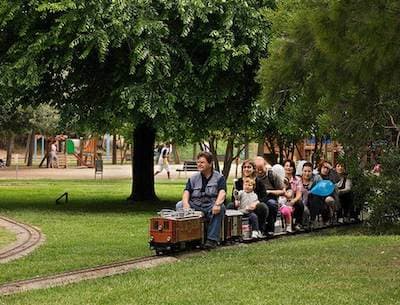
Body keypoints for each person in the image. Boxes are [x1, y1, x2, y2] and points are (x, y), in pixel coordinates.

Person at [176, 151, 226, 249]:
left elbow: (222, 192)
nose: (199, 164)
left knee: (221, 208)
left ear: (210, 163)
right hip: (196, 204)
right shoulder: (193, 178)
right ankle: (188, 238)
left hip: (210, 205)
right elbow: (186, 192)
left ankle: (212, 240)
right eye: (198, 162)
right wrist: (186, 204)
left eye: (202, 162)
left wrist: (217, 204)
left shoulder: (219, 177)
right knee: (179, 205)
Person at [230, 159, 269, 236]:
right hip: (241, 206)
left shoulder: (258, 182)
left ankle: (259, 230)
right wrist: (235, 201)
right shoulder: (238, 182)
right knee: (230, 206)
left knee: (262, 207)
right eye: (244, 167)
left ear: (253, 169)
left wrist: (255, 203)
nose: (246, 169)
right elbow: (234, 196)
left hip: (253, 208)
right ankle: (230, 231)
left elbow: (264, 197)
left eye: (249, 167)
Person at [254, 156, 285, 235]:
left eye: (261, 169)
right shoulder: (254, 176)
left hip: (271, 198)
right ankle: (260, 228)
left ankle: (270, 228)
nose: (259, 171)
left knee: (271, 204)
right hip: (258, 198)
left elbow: (283, 191)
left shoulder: (272, 175)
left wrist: (269, 191)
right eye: (257, 169)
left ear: (265, 165)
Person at [283, 159, 304, 230]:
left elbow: (299, 193)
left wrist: (293, 201)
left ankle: (298, 223)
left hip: (293, 199)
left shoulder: (297, 179)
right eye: (286, 166)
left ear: (294, 168)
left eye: (291, 166)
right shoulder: (280, 179)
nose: (288, 168)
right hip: (282, 200)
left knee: (299, 203)